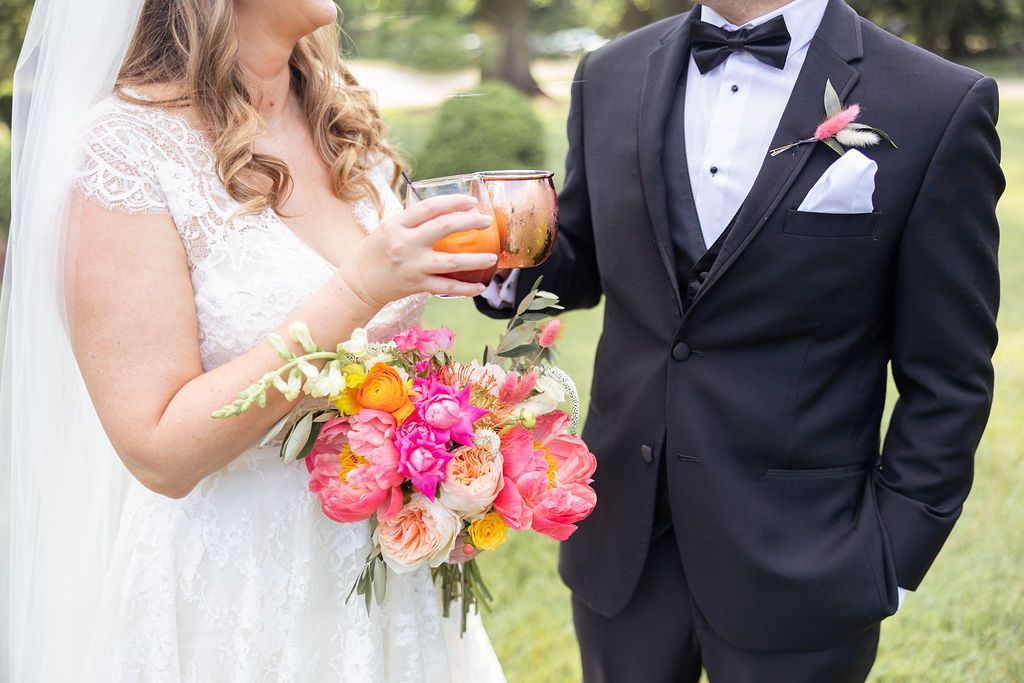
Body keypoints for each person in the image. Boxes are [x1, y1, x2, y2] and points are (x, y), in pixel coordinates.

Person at [478, 0, 1003, 680]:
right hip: (624, 546)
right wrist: (495, 254)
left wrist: (890, 560)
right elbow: (581, 257)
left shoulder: (937, 101)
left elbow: (951, 378)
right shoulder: (607, 73)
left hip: (804, 563)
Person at [1, 0, 506, 680]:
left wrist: (449, 456)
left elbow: (380, 369)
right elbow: (158, 450)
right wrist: (358, 290)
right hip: (243, 597)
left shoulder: (338, 117)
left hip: (389, 575)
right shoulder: (123, 150)